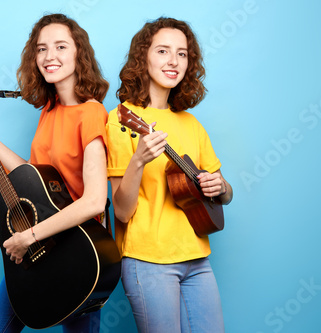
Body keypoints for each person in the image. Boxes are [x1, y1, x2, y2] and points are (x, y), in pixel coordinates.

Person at [0, 13, 110, 333]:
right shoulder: (49, 111)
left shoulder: (92, 111)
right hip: (40, 249)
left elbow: (95, 201)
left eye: (61, 46)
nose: (49, 56)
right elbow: (32, 176)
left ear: (79, 53)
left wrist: (29, 236)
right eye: (41, 49)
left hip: (78, 252)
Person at [106, 17, 233, 333]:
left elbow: (226, 195)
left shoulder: (191, 123)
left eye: (182, 53)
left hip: (198, 258)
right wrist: (138, 160)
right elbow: (121, 211)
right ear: (143, 56)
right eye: (163, 51)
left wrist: (222, 186)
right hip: (149, 261)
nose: (173, 61)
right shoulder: (122, 120)